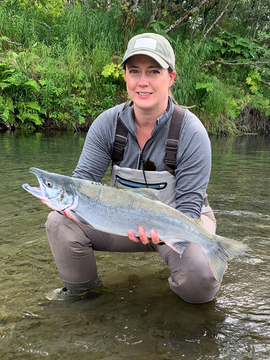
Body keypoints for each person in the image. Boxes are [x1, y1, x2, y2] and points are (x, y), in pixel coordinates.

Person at [45, 33, 225, 303]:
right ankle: (85, 295)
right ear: (126, 77)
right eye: (134, 71)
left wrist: (168, 236)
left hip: (180, 221)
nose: (143, 82)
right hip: (122, 221)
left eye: (153, 71)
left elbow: (189, 207)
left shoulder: (192, 132)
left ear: (171, 77)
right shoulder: (107, 124)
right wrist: (62, 199)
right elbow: (82, 183)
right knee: (59, 222)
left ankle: (203, 270)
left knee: (200, 282)